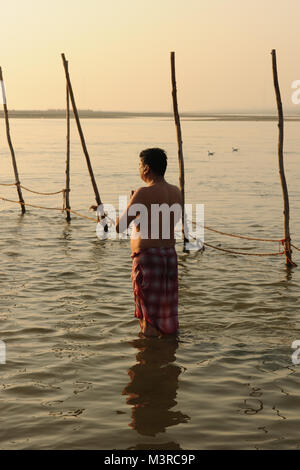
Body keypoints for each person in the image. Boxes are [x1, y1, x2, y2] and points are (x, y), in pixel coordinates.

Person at [116, 148, 182, 338]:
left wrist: (134, 206)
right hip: (169, 256)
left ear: (146, 168)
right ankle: (167, 356)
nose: (138, 169)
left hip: (149, 259)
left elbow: (120, 227)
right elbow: (168, 223)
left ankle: (149, 359)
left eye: (139, 165)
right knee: (166, 312)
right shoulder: (175, 192)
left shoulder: (143, 192)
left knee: (148, 317)